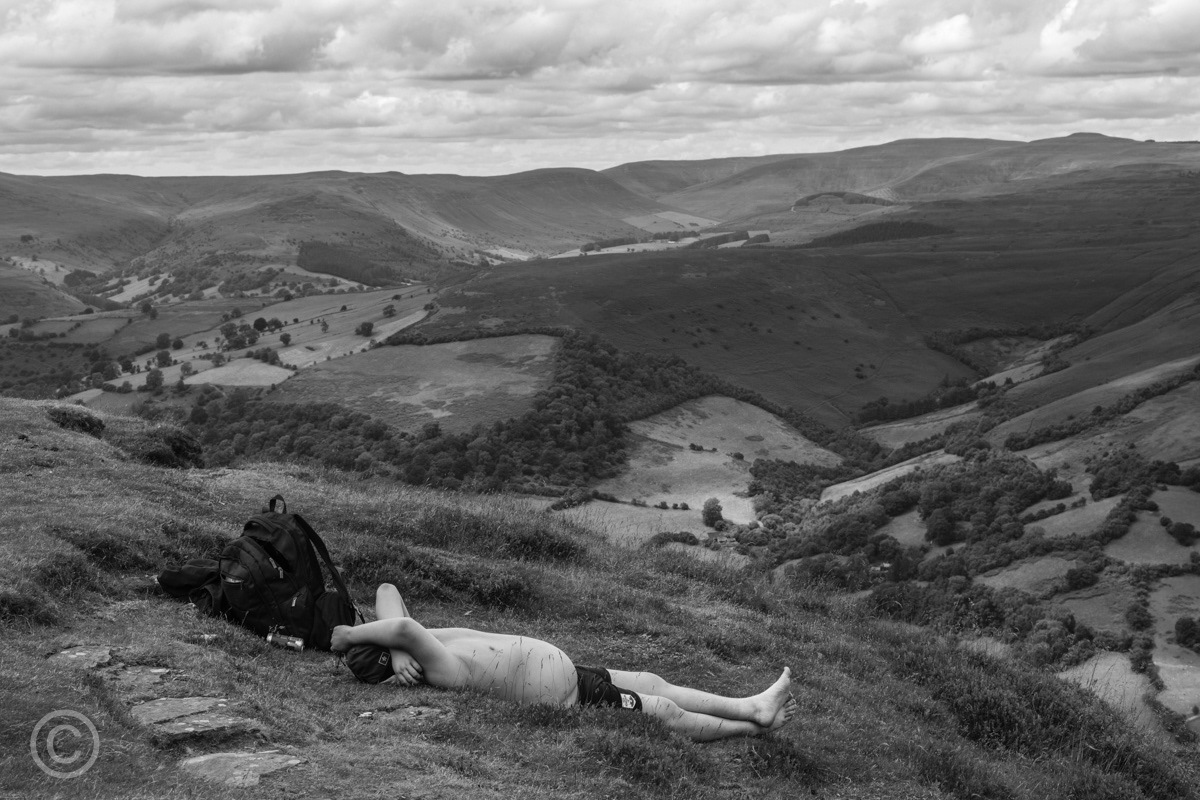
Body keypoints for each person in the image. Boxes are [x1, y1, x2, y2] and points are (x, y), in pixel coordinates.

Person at [331, 583, 797, 743]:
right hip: (574, 697)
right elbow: (403, 627)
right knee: (666, 712)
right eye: (392, 643)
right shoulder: (436, 665)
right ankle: (754, 726)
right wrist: (351, 635)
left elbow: (388, 594)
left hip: (574, 673)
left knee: (655, 679)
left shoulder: (417, 643)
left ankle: (750, 705)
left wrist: (390, 648)